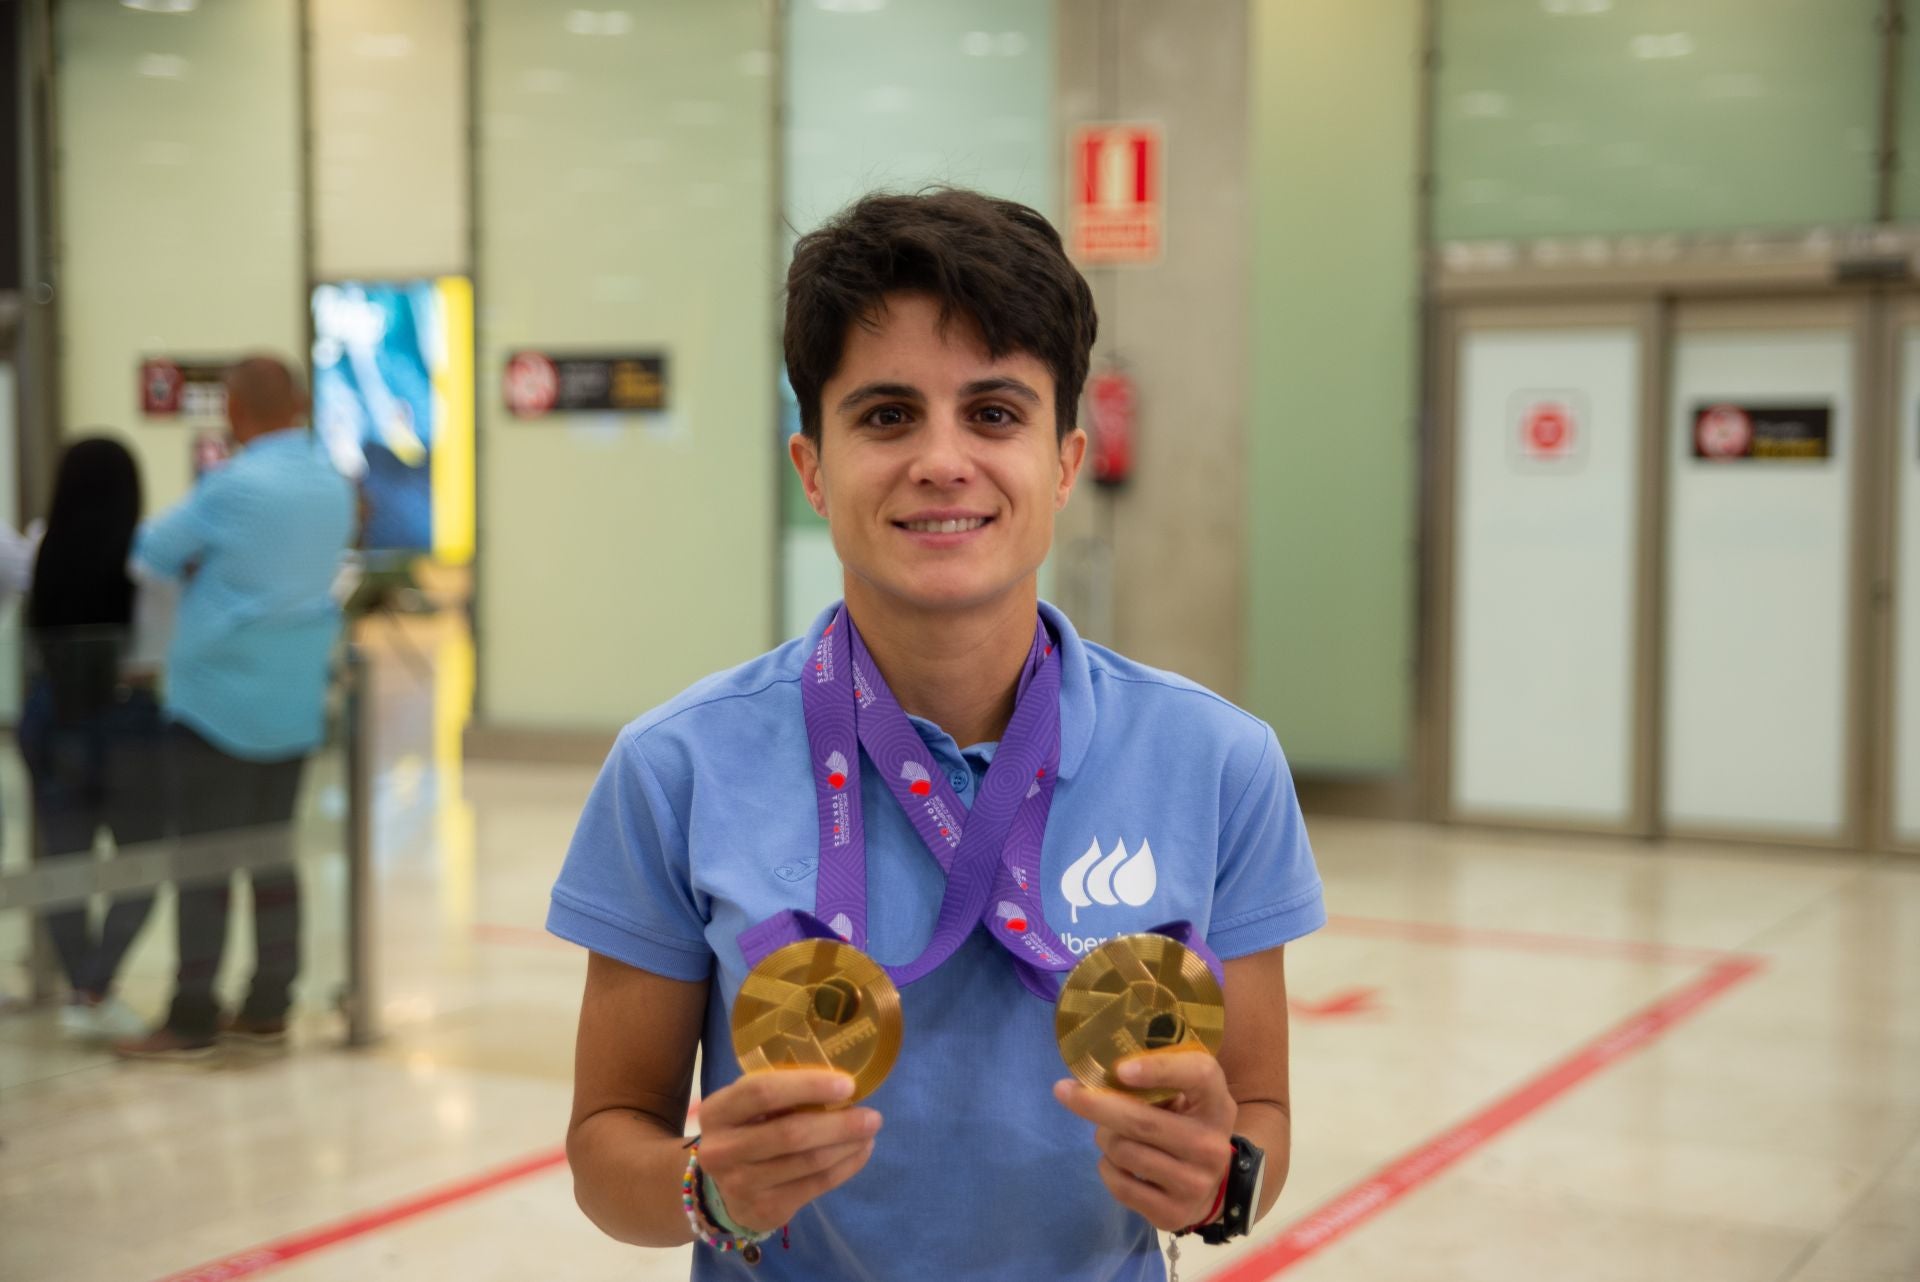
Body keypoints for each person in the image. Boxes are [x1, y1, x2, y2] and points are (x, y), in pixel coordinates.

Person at [550, 189, 1325, 1280]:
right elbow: (606, 1143)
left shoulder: (1216, 764)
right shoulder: (677, 768)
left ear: (1065, 460)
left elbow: (1260, 1113)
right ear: (812, 467)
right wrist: (705, 1189)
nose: (943, 460)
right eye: (886, 415)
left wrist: (1221, 1178)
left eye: (995, 413)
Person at [113, 356, 357, 1060]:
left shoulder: (234, 485)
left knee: (204, 867)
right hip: (292, 703)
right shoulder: (331, 485)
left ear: (237, 412)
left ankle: (191, 1015)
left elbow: (151, 551)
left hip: (216, 703)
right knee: (274, 860)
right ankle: (269, 1003)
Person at [16, 437, 174, 1041]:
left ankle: (80, 984)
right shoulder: (145, 558)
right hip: (127, 718)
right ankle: (94, 984)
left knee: (64, 861)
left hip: (51, 715)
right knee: (142, 860)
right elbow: (160, 648)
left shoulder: (38, 552)